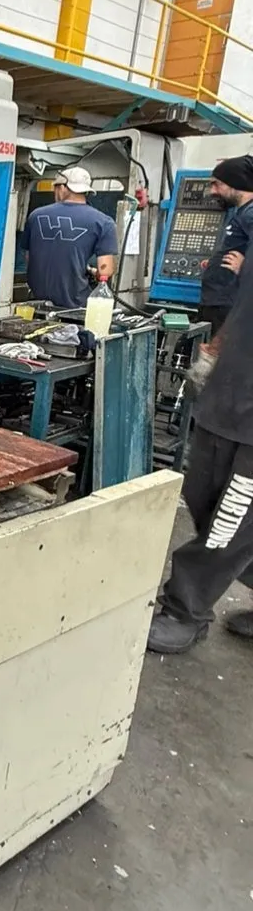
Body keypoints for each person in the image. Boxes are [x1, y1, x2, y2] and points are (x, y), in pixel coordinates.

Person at [147, 236, 253, 655]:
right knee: (200, 494)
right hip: (226, 397)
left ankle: (184, 611)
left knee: (231, 520)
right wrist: (213, 352)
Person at [20, 166, 118, 309]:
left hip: (37, 302)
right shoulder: (104, 222)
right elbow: (105, 271)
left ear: (63, 188)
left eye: (55, 187)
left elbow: (29, 258)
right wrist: (92, 271)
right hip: (75, 306)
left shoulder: (35, 216)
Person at [196, 154, 253, 339]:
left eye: (217, 184)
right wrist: (216, 262)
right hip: (218, 304)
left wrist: (244, 267)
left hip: (228, 307)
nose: (212, 191)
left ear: (236, 183)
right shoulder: (242, 212)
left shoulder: (250, 213)